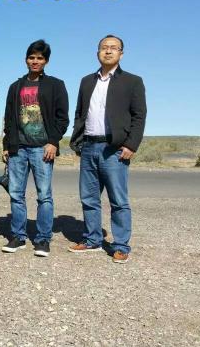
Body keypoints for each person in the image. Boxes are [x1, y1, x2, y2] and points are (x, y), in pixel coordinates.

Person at [68, 35, 147, 264]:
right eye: (104, 47)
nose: (108, 51)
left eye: (113, 48)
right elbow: (80, 113)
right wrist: (78, 140)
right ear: (98, 53)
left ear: (121, 53)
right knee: (89, 197)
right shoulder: (86, 81)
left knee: (118, 200)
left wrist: (131, 144)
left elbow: (139, 116)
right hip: (89, 146)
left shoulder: (132, 81)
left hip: (114, 148)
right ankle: (92, 239)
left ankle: (121, 245)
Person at [1, 40, 69, 257]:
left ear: (46, 61)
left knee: (44, 195)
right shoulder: (16, 87)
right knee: (16, 194)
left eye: (40, 58)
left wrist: (53, 142)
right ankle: (18, 236)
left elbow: (62, 118)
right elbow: (9, 119)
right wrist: (7, 145)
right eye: (32, 57)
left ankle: (42, 239)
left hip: (43, 148)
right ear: (26, 60)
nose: (35, 61)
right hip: (18, 148)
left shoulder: (55, 85)